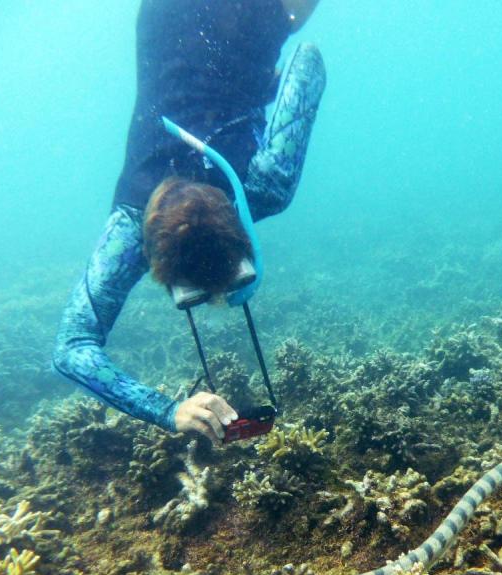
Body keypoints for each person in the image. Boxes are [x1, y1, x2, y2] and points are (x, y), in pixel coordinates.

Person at [53, 0, 325, 445]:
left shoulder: (265, 187)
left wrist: (167, 411)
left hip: (245, 19)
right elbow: (69, 350)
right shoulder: (136, 223)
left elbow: (308, 60)